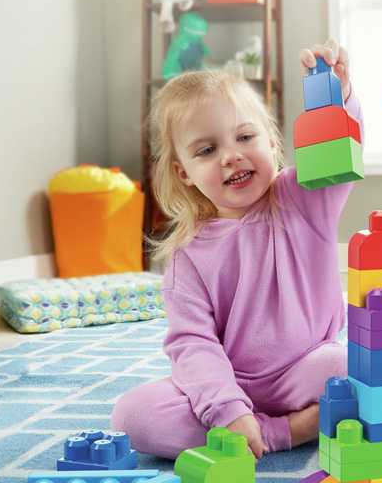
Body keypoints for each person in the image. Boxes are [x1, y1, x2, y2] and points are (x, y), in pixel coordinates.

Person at [111, 42, 361, 457]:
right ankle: (288, 429)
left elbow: (338, 153)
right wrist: (227, 409)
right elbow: (193, 344)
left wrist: (338, 101)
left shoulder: (303, 199)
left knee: (363, 372)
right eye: (206, 150)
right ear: (184, 173)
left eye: (245, 136)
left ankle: (272, 433)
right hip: (229, 380)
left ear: (271, 142)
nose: (231, 156)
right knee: (133, 416)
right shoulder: (187, 255)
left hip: (307, 368)